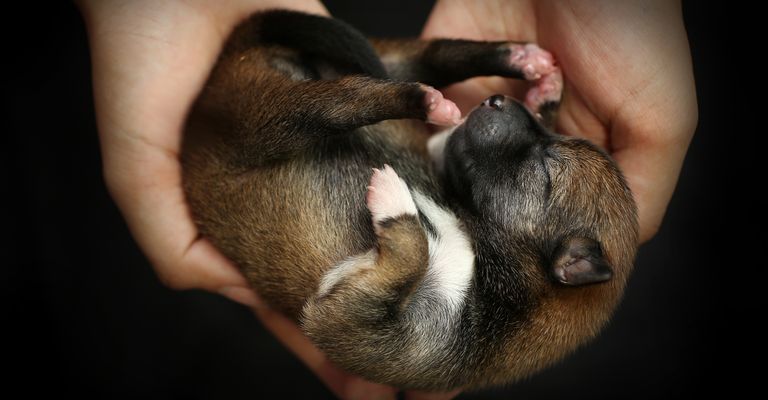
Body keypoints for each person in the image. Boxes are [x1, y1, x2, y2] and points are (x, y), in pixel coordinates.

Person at [77, 0, 697, 399]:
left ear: (569, 265)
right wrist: (524, 95)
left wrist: (402, 251)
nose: (505, 111)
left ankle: (382, 94)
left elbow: (336, 323)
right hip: (327, 87)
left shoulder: (452, 341)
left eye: (538, 161)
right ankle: (439, 73)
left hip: (249, 148)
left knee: (378, 89)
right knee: (401, 76)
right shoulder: (492, 254)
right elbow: (444, 154)